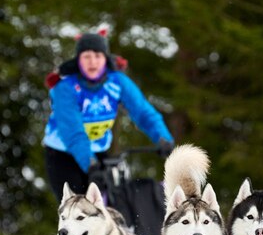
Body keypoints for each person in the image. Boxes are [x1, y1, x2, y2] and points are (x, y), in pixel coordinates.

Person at [43, 31, 175, 201]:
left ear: (105, 59)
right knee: (78, 209)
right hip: (63, 155)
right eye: (87, 56)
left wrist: (163, 138)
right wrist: (89, 164)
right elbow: (73, 133)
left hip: (98, 152)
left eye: (98, 56)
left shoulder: (117, 82)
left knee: (108, 206)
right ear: (78, 60)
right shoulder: (66, 88)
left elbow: (143, 112)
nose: (92, 62)